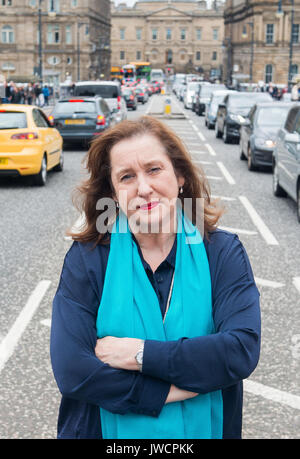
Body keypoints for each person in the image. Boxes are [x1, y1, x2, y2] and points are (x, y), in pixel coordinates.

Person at [50, 116, 261, 439]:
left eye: (154, 169)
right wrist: (175, 390)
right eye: (126, 177)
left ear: (179, 176)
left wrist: (139, 354)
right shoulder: (88, 259)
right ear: (113, 192)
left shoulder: (222, 252)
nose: (144, 188)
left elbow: (240, 351)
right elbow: (73, 373)